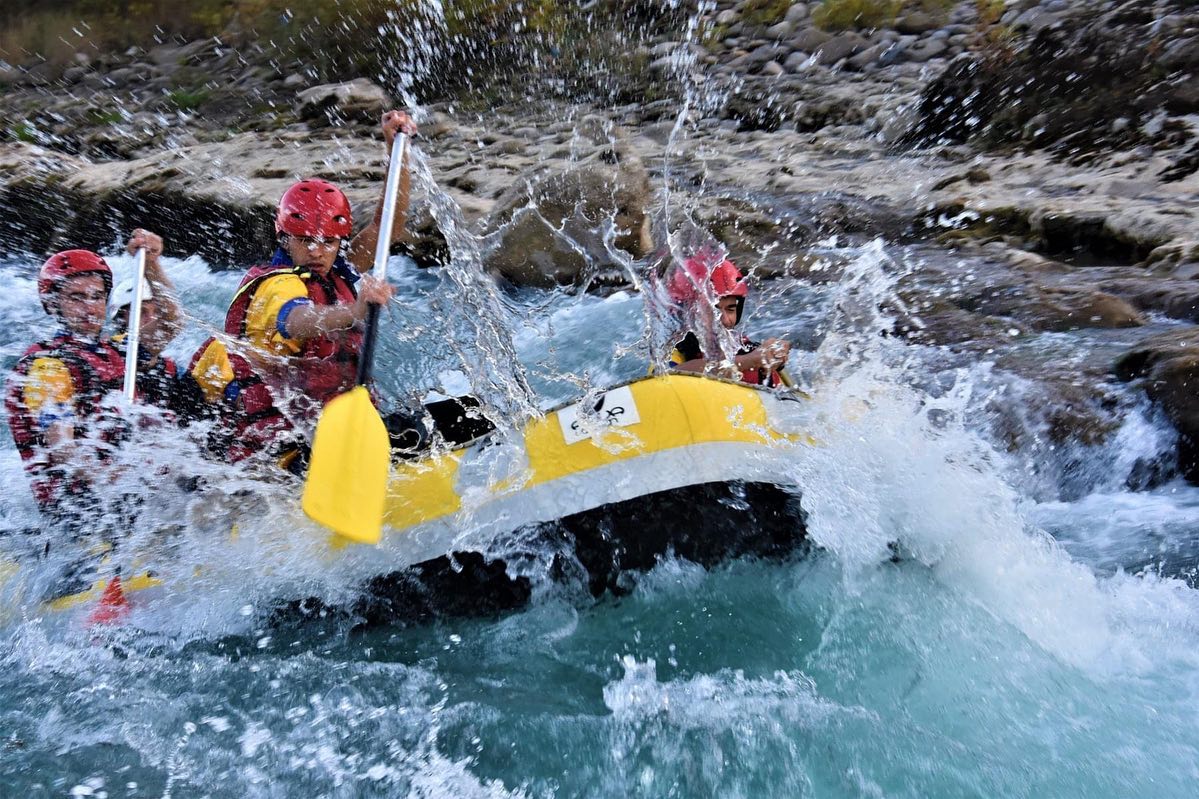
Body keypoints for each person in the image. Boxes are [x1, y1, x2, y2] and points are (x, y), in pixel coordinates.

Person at [190, 110, 423, 471]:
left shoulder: (336, 269)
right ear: (283, 237)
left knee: (432, 424)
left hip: (334, 427)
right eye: (305, 241)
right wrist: (355, 311)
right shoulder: (274, 284)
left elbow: (387, 226)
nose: (317, 252)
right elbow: (298, 321)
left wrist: (397, 153)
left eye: (329, 242)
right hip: (276, 449)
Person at [6, 246, 128, 522]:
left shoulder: (116, 352)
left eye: (97, 296)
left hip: (122, 501)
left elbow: (168, 325)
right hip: (77, 513)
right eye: (77, 297)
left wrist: (153, 263)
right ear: (52, 304)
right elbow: (63, 450)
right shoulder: (47, 369)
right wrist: (117, 479)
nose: (90, 307)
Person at [108, 230, 207, 423]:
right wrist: (150, 264)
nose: (152, 318)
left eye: (156, 311)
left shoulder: (177, 375)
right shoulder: (115, 352)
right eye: (141, 312)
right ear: (121, 320)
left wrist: (151, 262)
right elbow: (170, 323)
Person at [665, 250, 791, 387]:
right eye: (714, 310)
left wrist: (775, 354)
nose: (725, 320)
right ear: (688, 313)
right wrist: (749, 360)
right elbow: (669, 376)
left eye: (731, 309)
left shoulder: (745, 348)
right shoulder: (670, 352)